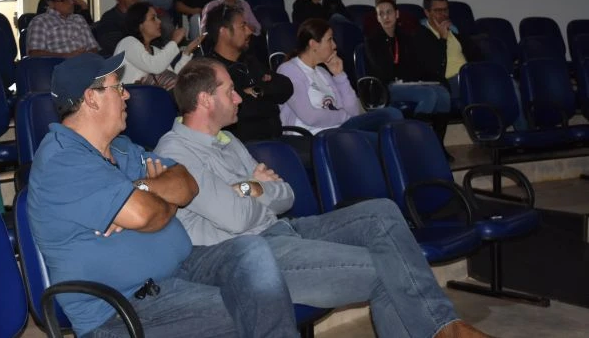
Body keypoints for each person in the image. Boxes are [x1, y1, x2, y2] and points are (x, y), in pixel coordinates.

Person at [153, 58, 492, 338]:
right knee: (389, 269)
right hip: (254, 254)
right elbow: (236, 219)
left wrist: (251, 190)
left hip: (285, 229)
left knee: (382, 212)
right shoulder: (176, 152)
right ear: (206, 100)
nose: (240, 97)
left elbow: (285, 194)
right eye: (230, 91)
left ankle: (443, 327)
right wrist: (253, 185)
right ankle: (444, 329)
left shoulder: (228, 140)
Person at [27, 53, 299, 338]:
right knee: (252, 305)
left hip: (182, 271)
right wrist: (160, 198)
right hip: (125, 309)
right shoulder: (63, 161)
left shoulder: (122, 147)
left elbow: (187, 184)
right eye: (117, 87)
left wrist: (140, 188)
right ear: (91, 98)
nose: (127, 95)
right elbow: (148, 214)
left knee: (252, 251)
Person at [277, 18, 403, 147]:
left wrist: (339, 75)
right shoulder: (289, 70)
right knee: (383, 141)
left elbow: (353, 111)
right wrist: (343, 116)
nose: (334, 45)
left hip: (340, 129)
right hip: (315, 137)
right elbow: (310, 117)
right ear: (314, 44)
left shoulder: (322, 72)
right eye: (330, 40)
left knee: (392, 113)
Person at [365, 0, 453, 159]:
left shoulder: (405, 37)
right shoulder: (372, 41)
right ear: (377, 18)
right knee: (428, 95)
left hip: (408, 84)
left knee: (443, 94)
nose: (386, 17)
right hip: (387, 87)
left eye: (389, 12)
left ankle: (438, 145)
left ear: (397, 14)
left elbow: (419, 65)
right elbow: (383, 72)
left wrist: (442, 41)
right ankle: (415, 144)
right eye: (381, 14)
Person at [204, 4, 293, 142]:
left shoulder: (249, 61)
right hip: (244, 146)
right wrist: (267, 97)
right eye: (242, 26)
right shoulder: (210, 70)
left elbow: (286, 87)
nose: (249, 31)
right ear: (224, 32)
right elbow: (240, 111)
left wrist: (257, 90)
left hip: (276, 140)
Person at [114, 2, 203, 87]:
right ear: (140, 25)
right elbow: (155, 67)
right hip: (127, 96)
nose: (159, 21)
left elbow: (174, 76)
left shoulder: (156, 51)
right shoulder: (128, 43)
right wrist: (174, 42)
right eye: (153, 18)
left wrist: (187, 51)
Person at [416, 0, 483, 99]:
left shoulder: (454, 31)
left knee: (500, 80)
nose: (443, 14)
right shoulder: (420, 35)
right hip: (446, 81)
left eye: (445, 10)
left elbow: (476, 54)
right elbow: (432, 66)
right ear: (427, 12)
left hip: (467, 75)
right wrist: (443, 39)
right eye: (438, 11)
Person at [26, 0, 99, 58]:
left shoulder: (79, 19)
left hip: (87, 62)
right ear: (51, 3)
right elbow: (35, 54)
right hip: (59, 63)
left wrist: (85, 56)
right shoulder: (40, 22)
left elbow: (94, 48)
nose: (71, 2)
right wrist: (66, 56)